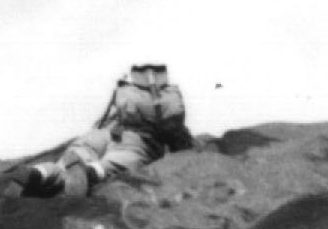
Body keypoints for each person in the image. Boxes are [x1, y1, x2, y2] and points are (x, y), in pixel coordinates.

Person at [14, 65, 194, 198]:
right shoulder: (166, 107)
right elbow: (182, 147)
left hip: (101, 135)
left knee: (74, 157)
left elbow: (101, 122)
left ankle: (40, 173)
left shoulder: (125, 94)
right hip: (135, 143)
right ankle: (89, 172)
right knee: (111, 164)